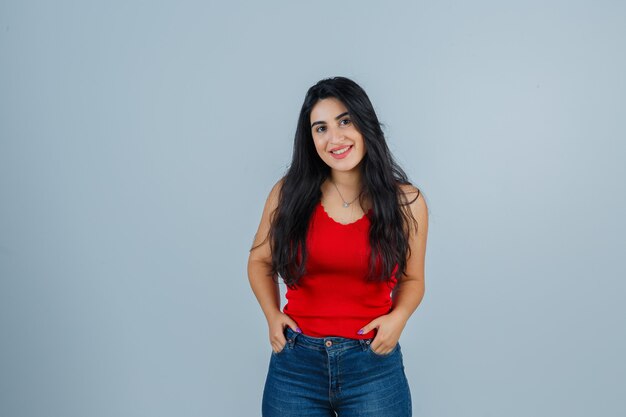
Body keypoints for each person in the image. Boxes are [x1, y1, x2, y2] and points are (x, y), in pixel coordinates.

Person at [247, 76, 429, 417]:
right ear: (310, 138)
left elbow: (414, 279)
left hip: (373, 365)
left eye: (344, 121)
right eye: (320, 128)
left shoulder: (406, 202)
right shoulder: (288, 194)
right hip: (295, 367)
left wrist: (399, 318)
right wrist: (272, 316)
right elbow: (259, 260)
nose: (335, 138)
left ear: (365, 124)